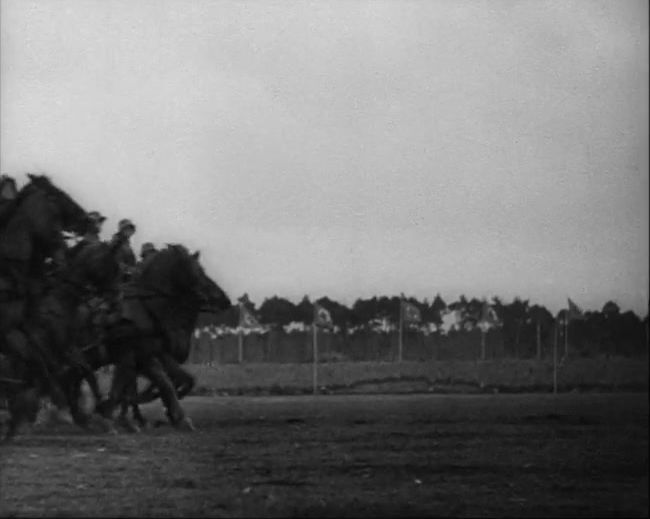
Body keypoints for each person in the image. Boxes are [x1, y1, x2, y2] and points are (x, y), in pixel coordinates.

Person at [110, 218, 137, 283]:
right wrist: (129, 269)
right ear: (122, 230)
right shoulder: (117, 242)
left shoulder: (126, 243)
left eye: (131, 229)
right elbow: (115, 261)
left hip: (125, 277)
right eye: (127, 229)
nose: (130, 231)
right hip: (118, 279)